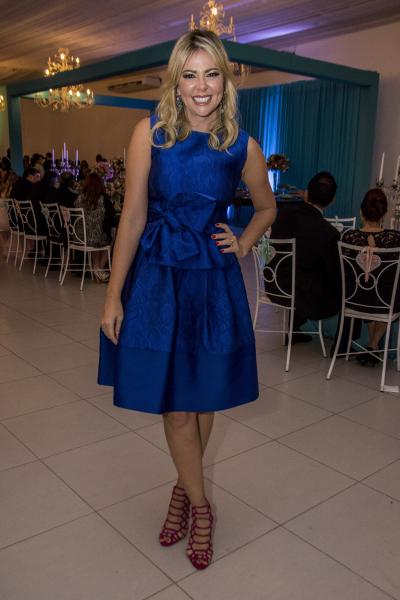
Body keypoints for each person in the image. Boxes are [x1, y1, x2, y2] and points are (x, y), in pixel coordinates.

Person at [98, 30, 276, 570]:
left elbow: (267, 207)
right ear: (175, 82)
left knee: (201, 398)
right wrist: (112, 295)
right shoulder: (149, 134)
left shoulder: (241, 146)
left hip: (211, 282)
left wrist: (242, 242)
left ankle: (182, 488)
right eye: (190, 74)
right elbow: (132, 217)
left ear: (226, 80)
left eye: (211, 73)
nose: (201, 86)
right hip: (158, 278)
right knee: (175, 408)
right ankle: (201, 507)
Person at [269, 171, 341, 341]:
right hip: (301, 296)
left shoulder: (285, 213)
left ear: (306, 194)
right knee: (340, 283)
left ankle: (294, 328)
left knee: (304, 271)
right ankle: (343, 343)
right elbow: (332, 273)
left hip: (274, 284)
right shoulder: (328, 232)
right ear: (332, 200)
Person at [342, 188, 400, 365]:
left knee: (369, 287)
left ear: (361, 211)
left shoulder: (348, 236)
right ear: (384, 214)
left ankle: (372, 346)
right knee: (388, 288)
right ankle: (373, 346)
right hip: (384, 302)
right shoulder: (395, 238)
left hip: (355, 300)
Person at [74, 172, 115, 281]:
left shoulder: (79, 198)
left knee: (94, 236)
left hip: (80, 237)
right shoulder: (103, 198)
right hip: (96, 237)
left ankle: (96, 268)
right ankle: (99, 269)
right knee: (111, 234)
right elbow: (112, 214)